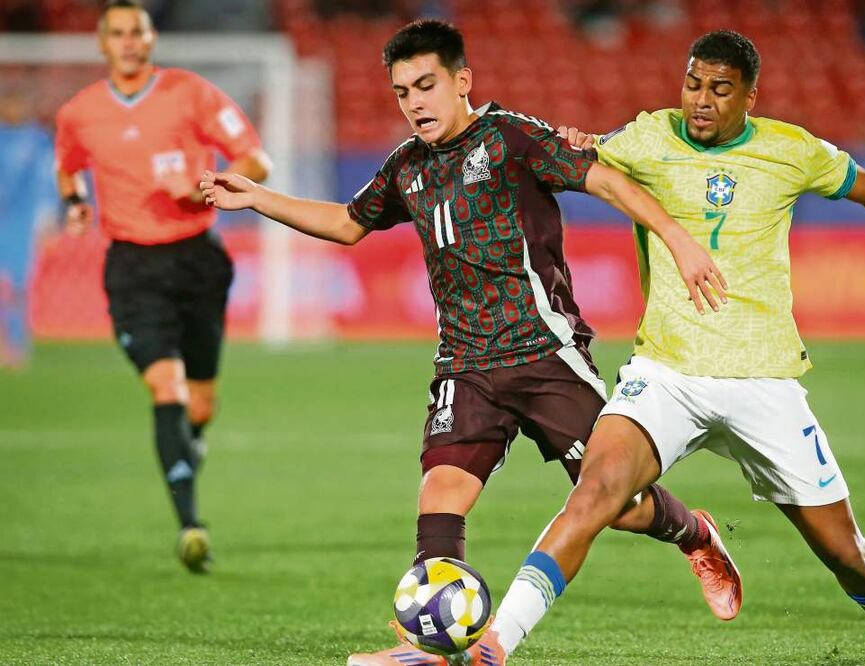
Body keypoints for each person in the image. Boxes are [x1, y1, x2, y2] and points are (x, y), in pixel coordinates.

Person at [436, 29, 865, 666]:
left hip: (763, 380)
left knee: (846, 552)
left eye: (720, 89)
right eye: (693, 84)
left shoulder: (789, 150)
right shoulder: (648, 137)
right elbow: (577, 157)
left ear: (749, 97)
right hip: (667, 372)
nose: (701, 100)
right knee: (594, 495)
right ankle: (493, 646)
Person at [200, 20, 740, 663]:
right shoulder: (407, 167)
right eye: (402, 92)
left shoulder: (511, 137)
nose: (415, 103)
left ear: (462, 82)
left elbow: (607, 182)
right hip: (466, 363)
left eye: (426, 85)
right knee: (441, 495)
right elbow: (348, 224)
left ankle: (694, 531)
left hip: (546, 357)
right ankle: (430, 647)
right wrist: (258, 197)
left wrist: (679, 243)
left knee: (616, 505)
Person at [54, 0, 271, 572]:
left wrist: (204, 184)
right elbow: (68, 164)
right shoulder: (79, 112)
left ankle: (187, 444)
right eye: (117, 33)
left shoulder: (191, 94)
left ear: (152, 40)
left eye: (138, 32)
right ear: (102, 44)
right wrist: (74, 202)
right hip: (133, 268)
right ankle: (190, 526)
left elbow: (256, 159)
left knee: (201, 400)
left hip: (198, 260)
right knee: (167, 387)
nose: (128, 42)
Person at [0, 84, 58, 369]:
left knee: (20, 285)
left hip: (22, 223)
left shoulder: (38, 140)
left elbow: (47, 182)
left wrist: (46, 220)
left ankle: (18, 341)